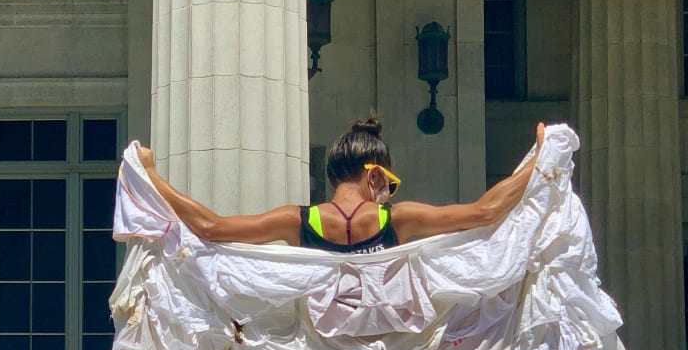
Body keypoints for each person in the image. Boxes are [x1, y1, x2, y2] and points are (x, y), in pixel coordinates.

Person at [137, 114, 545, 250]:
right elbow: (486, 211)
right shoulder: (397, 220)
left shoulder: (297, 221)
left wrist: (154, 178)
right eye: (390, 182)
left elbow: (211, 228)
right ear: (375, 174)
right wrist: (541, 161)